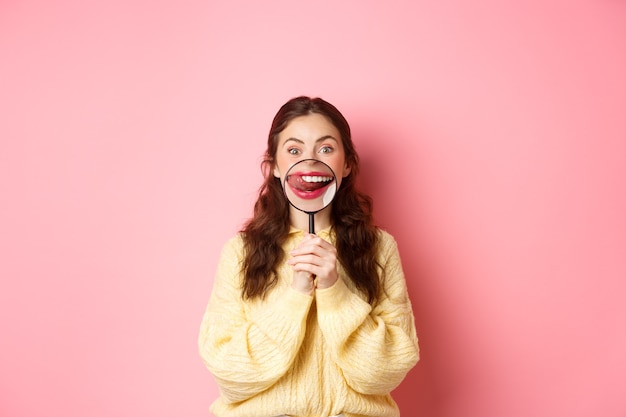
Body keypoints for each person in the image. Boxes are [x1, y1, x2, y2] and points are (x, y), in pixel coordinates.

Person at [198, 96, 419, 417]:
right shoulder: (240, 252)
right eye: (294, 150)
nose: (311, 161)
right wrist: (296, 294)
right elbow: (230, 376)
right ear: (274, 165)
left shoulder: (379, 248)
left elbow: (384, 373)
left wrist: (336, 291)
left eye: (326, 149)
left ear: (346, 165)